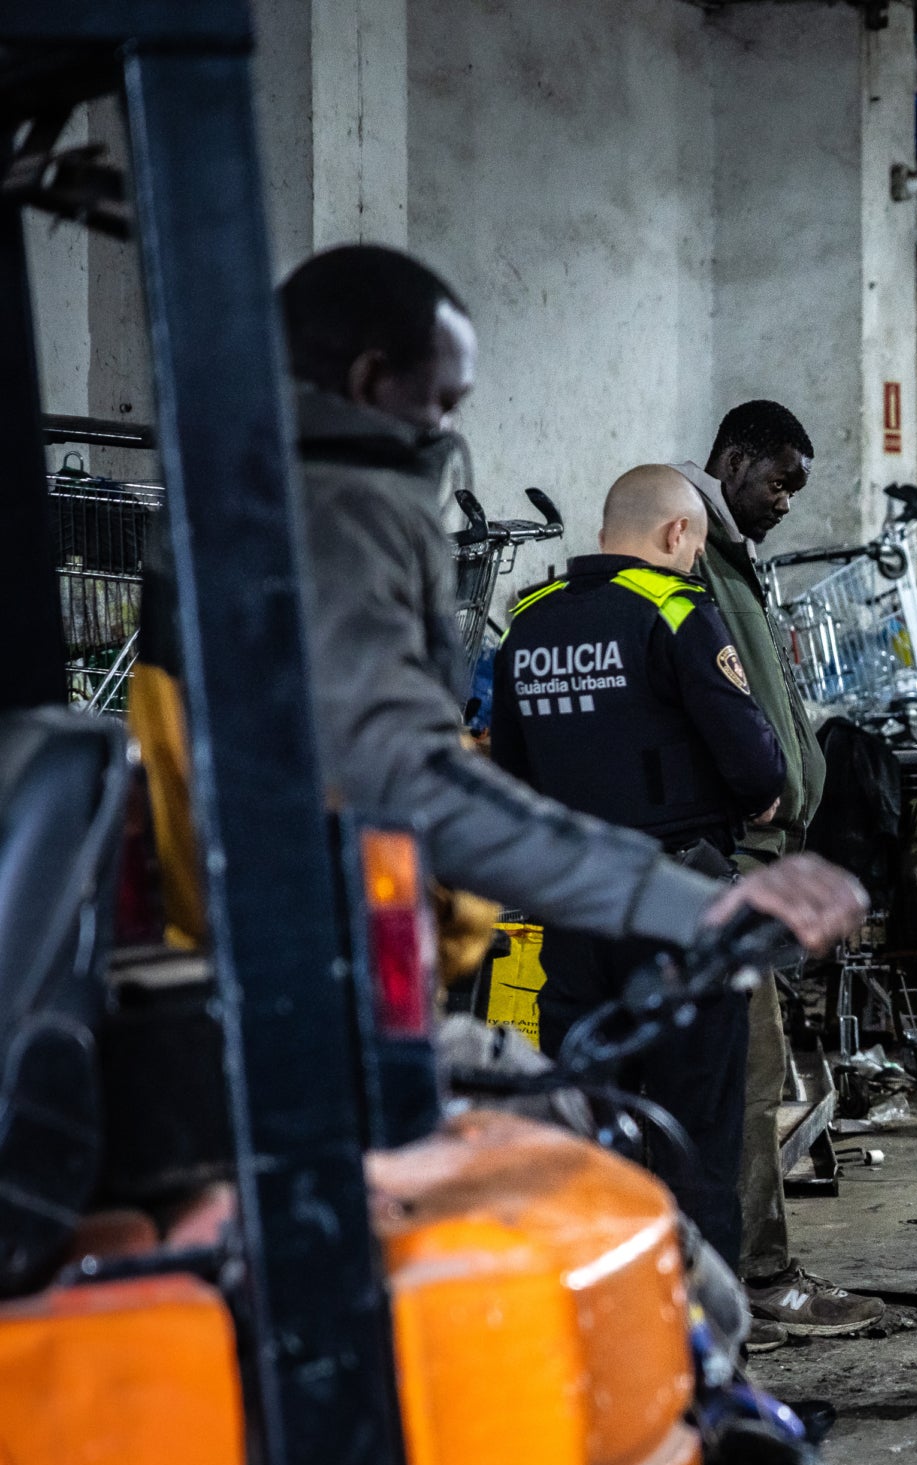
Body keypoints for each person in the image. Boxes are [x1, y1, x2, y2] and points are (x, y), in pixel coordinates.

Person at [278, 245, 859, 975]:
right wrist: (684, 898)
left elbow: (499, 766)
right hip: (324, 943)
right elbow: (414, 776)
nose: (446, 439)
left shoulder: (233, 505)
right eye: (440, 405)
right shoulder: (352, 518)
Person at [488, 467, 787, 1265]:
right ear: (676, 536)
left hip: (572, 912)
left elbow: (511, 778)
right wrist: (758, 798)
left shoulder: (529, 619)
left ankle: (615, 1356)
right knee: (698, 1138)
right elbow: (758, 767)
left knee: (592, 1137)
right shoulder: (678, 611)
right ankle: (706, 1367)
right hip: (677, 905)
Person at [673, 403, 876, 1343]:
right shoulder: (692, 549)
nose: (787, 501)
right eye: (778, 480)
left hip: (761, 849)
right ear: (735, 460)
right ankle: (759, 1273)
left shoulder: (731, 555)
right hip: (730, 855)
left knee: (754, 1073)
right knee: (749, 1080)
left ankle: (745, 1263)